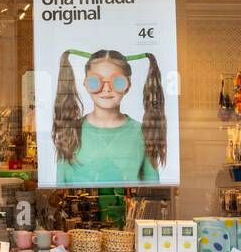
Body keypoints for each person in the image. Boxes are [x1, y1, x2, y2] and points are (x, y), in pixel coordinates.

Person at [53, 48, 166, 184]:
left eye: (117, 81)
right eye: (96, 81)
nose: (106, 89)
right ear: (86, 84)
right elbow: (61, 186)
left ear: (128, 85)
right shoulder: (69, 131)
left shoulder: (143, 133)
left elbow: (153, 192)